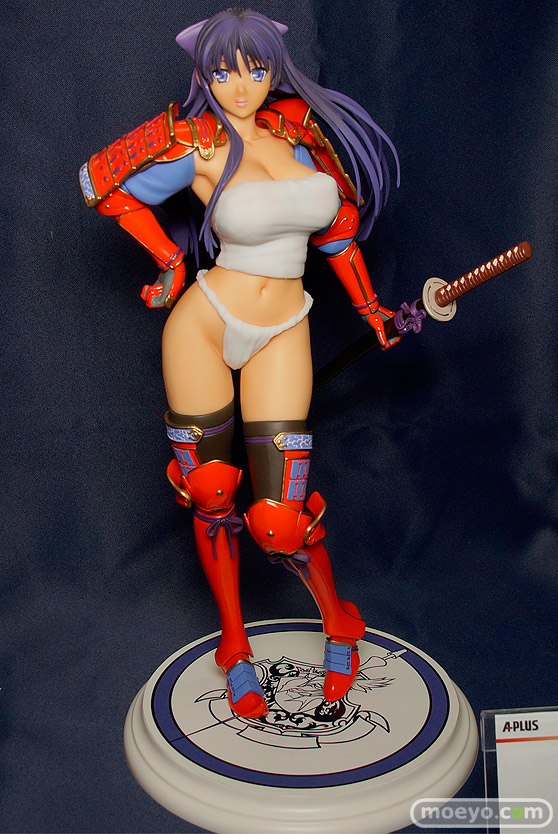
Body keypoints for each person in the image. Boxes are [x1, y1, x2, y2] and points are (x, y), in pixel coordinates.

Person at [79, 8, 399, 721]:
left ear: (275, 69)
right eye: (223, 71)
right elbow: (105, 185)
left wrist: (371, 308)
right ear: (204, 75)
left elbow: (338, 231)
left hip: (284, 324)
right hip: (206, 323)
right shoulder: (194, 141)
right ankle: (234, 644)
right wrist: (169, 259)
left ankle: (339, 620)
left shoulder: (300, 133)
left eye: (255, 68)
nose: (242, 84)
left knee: (280, 520)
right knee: (214, 492)